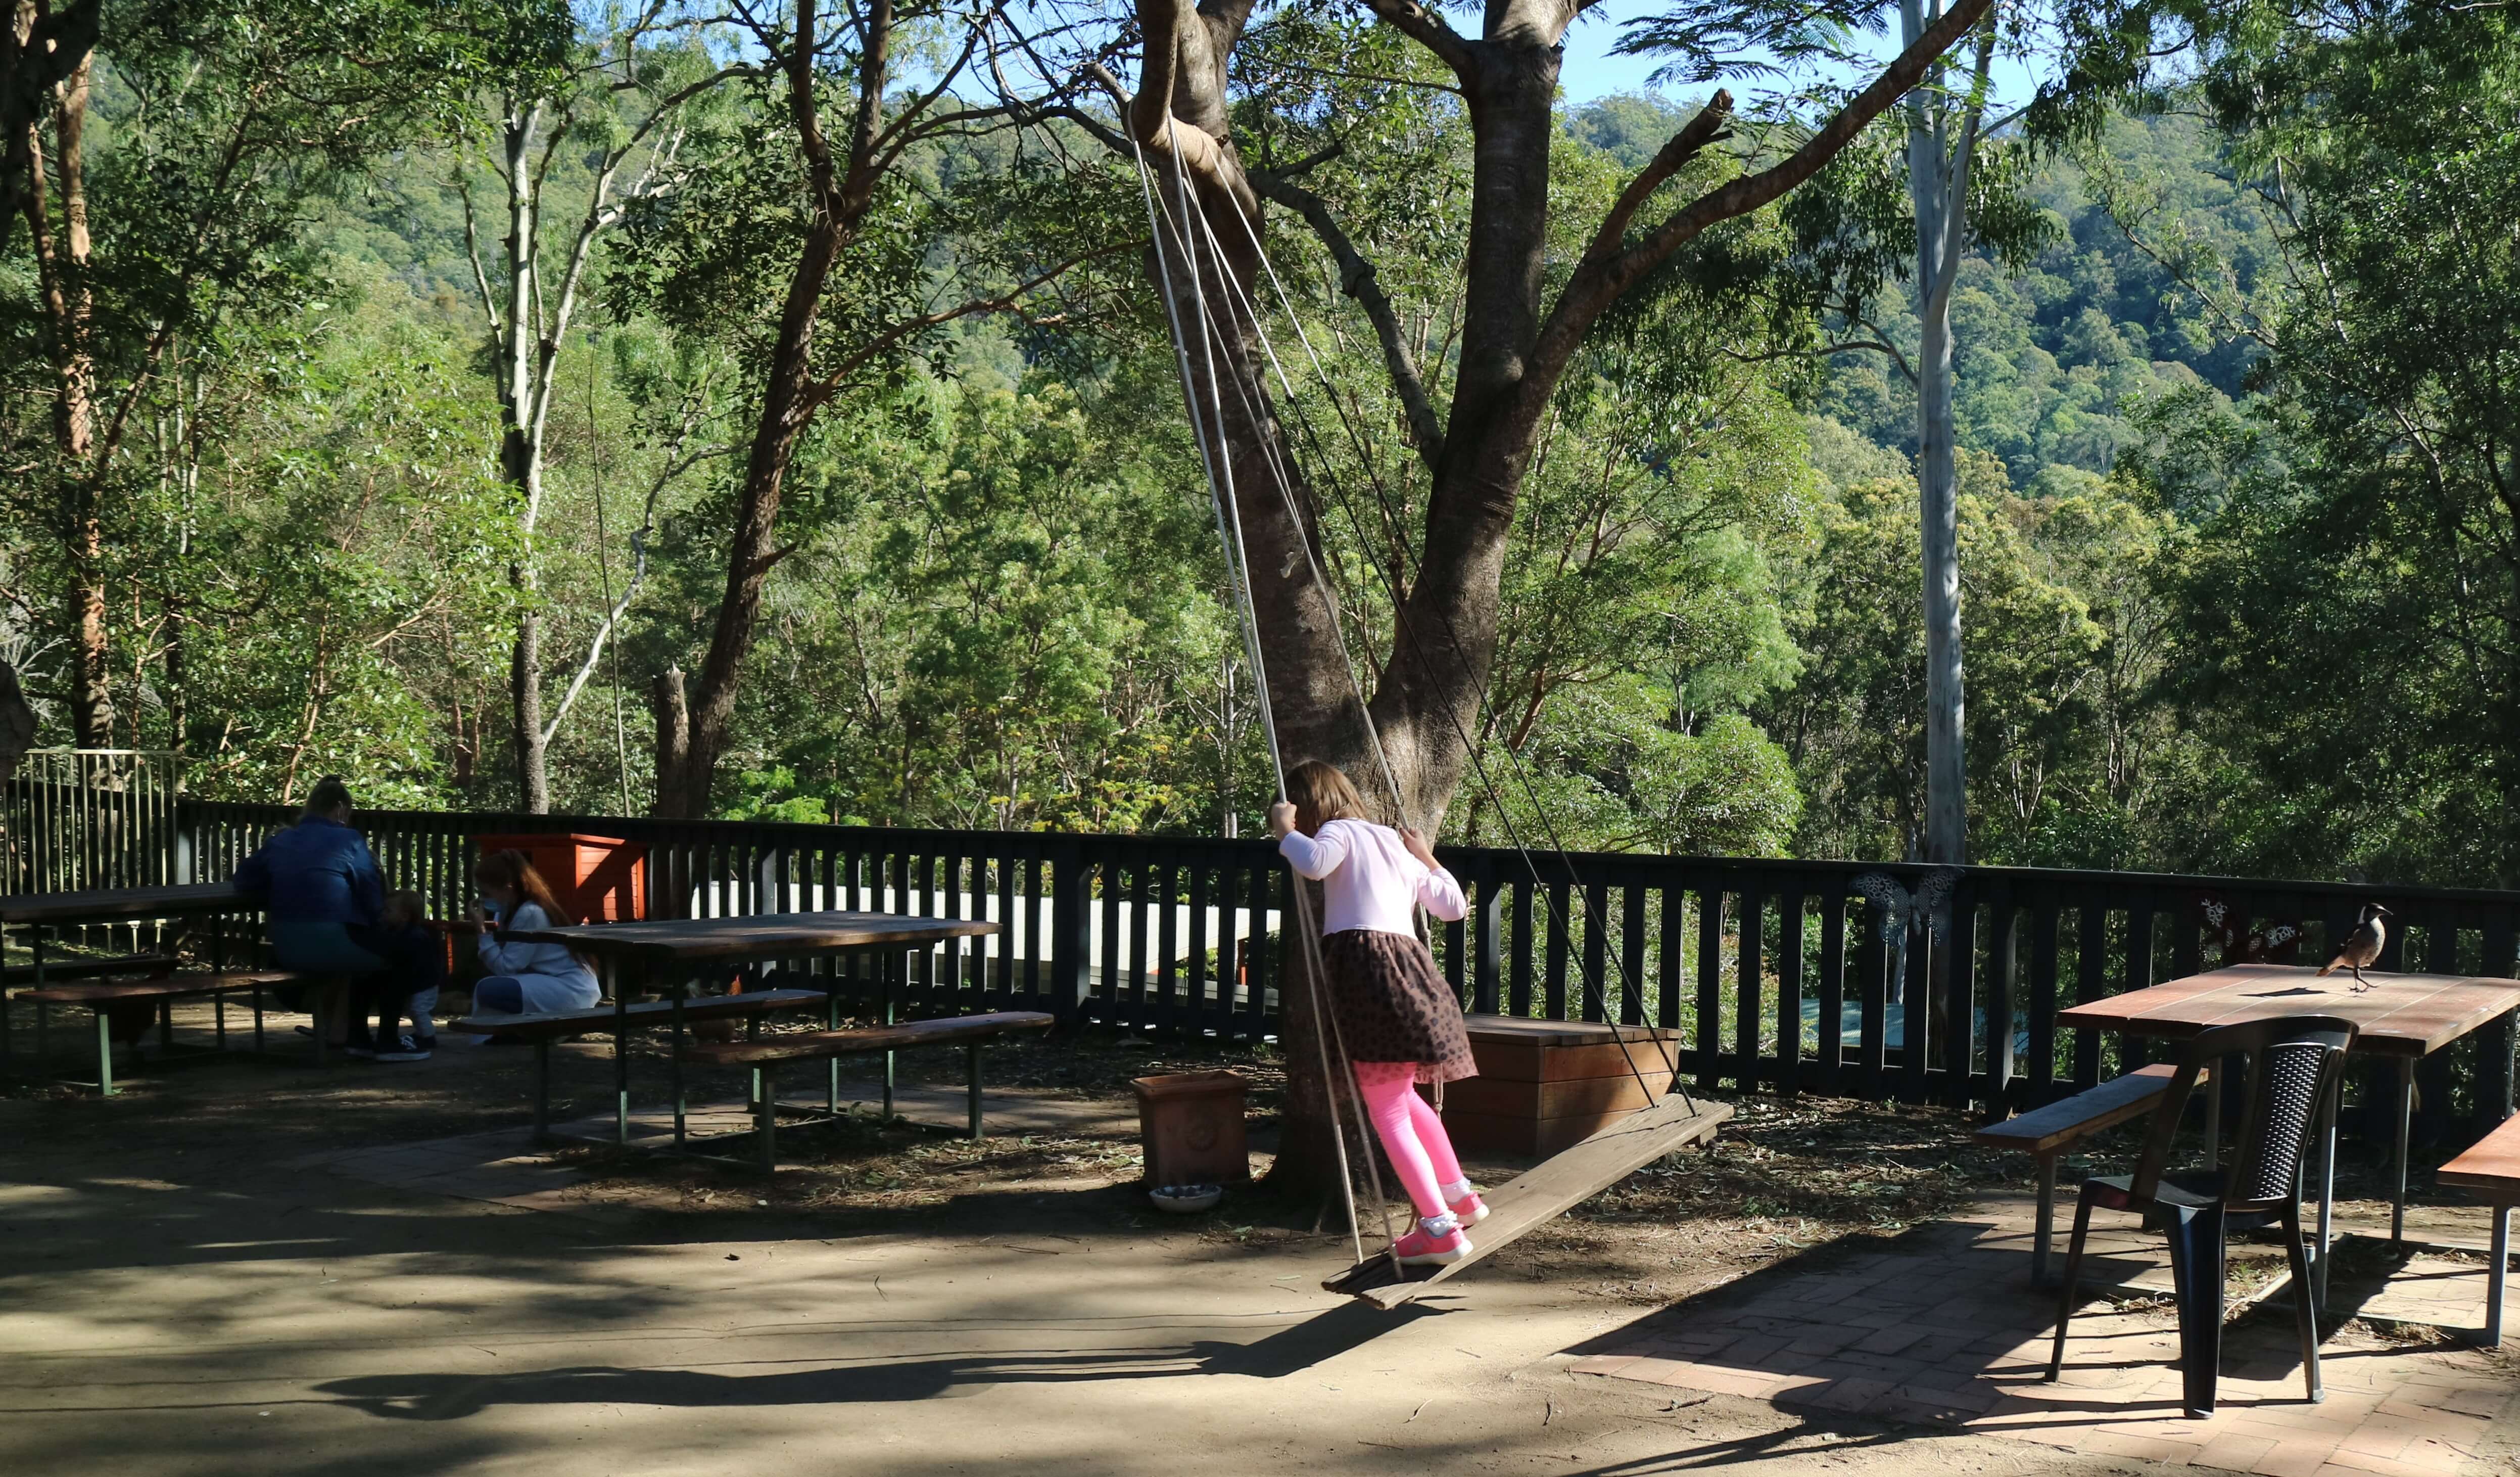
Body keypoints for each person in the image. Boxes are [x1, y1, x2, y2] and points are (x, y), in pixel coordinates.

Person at [1269, 758, 1486, 1266]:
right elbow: (1453, 907)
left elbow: (1314, 863)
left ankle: (1439, 1229)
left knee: (1386, 1110)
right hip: (1413, 974)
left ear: (1309, 807)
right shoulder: (1393, 842)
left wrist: (1284, 832)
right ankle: (1460, 1198)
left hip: (1369, 978)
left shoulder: (1340, 832)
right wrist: (1427, 857)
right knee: (1401, 1095)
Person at [232, 775, 387, 1049]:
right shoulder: (349, 839)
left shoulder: (281, 840)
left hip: (285, 947)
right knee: (387, 953)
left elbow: (244, 880)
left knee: (342, 959)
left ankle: (335, 1031)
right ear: (341, 809)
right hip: (333, 944)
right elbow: (371, 893)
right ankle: (371, 1035)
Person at [467, 850, 601, 1025]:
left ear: (507, 889)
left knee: (488, 989)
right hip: (551, 982)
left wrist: (482, 932)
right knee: (491, 991)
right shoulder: (509, 911)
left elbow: (506, 968)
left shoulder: (530, 913)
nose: (483, 900)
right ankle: (506, 1033)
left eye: (486, 894)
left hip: (568, 987)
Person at [350, 889, 444, 1062]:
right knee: (415, 1010)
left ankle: (428, 1037)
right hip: (419, 984)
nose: (384, 914)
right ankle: (421, 1035)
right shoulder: (400, 933)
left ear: (405, 916)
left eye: (389, 911)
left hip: (424, 985)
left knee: (418, 1010)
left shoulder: (414, 937)